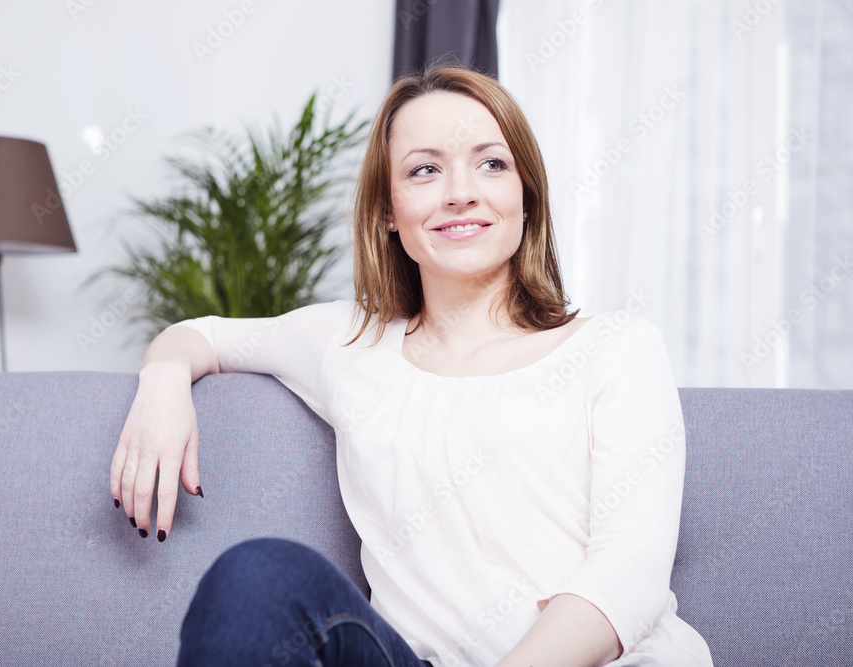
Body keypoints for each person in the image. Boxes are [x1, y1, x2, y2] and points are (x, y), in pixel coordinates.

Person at [109, 65, 714, 667]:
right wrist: (162, 384)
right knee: (258, 574)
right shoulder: (349, 342)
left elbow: (630, 571)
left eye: (492, 163)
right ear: (389, 213)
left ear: (526, 198)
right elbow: (202, 336)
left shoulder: (616, 348)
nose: (460, 192)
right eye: (424, 170)